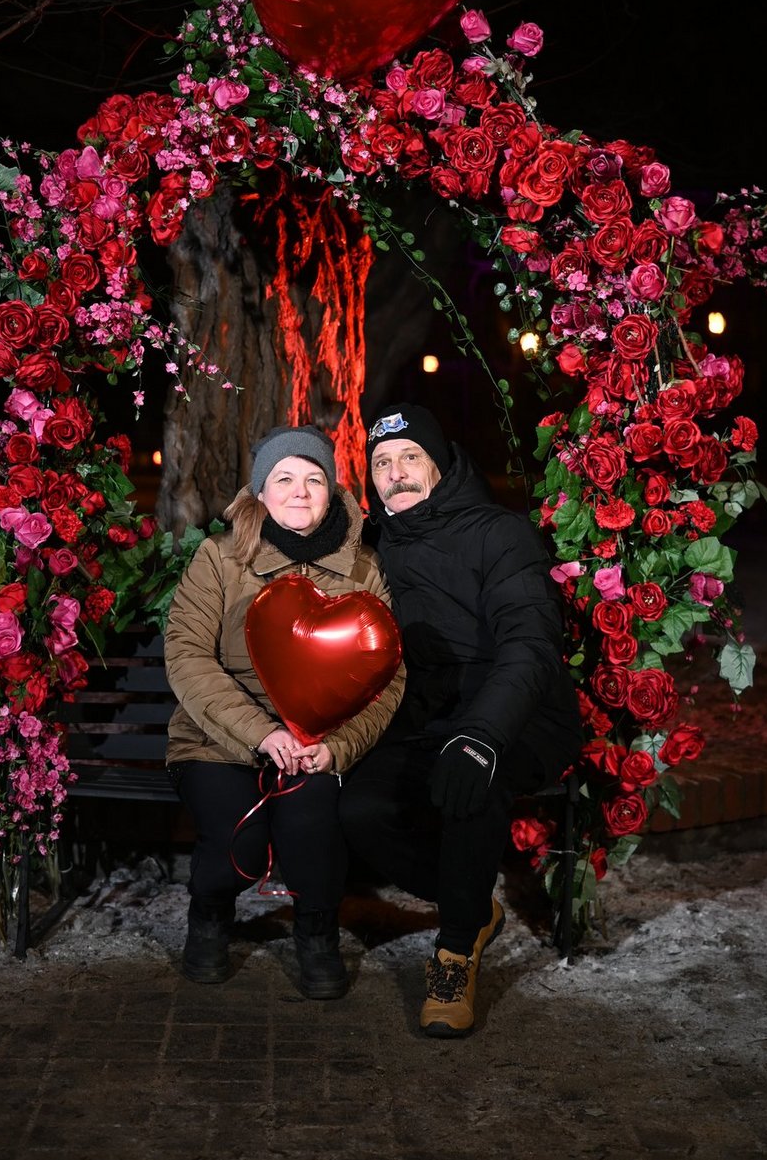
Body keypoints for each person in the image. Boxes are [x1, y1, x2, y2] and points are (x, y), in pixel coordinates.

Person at [339, 403, 582, 1038]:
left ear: (441, 465)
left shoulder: (499, 534)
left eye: (410, 457)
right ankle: (471, 907)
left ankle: (453, 953)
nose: (396, 473)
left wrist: (482, 734)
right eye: (382, 463)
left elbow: (529, 645)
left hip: (519, 715)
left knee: (472, 778)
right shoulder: (373, 547)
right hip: (426, 717)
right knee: (359, 809)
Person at [163, 423, 405, 1001]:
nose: (300, 491)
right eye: (284, 478)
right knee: (238, 838)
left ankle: (317, 932)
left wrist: (336, 747)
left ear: (332, 491)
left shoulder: (363, 568)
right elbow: (187, 656)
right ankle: (210, 915)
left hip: (318, 741)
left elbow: (388, 675)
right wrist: (262, 734)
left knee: (310, 824)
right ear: (260, 491)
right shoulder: (220, 559)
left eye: (314, 479)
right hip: (218, 740)